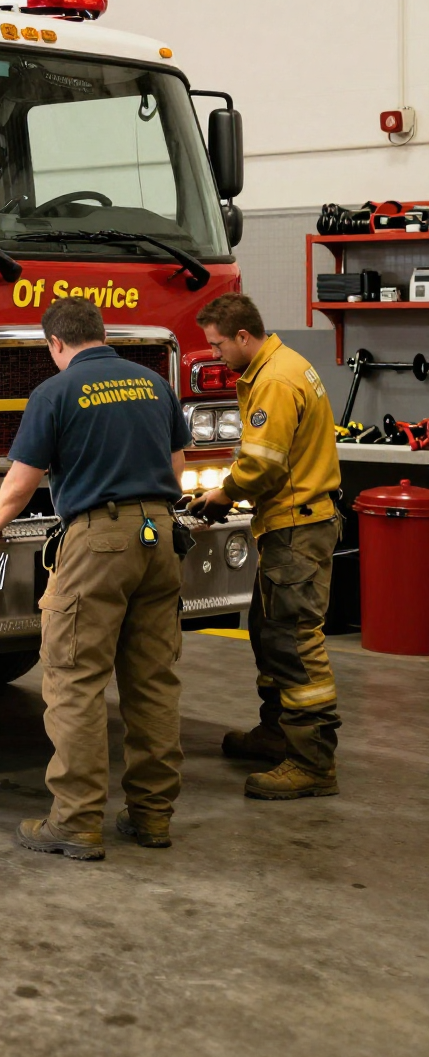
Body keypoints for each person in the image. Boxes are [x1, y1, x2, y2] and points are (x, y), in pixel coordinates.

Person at [0, 297, 189, 860]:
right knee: (153, 681)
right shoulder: (152, 383)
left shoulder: (55, 391)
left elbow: (23, 477)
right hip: (160, 535)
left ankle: (76, 820)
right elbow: (177, 464)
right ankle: (152, 816)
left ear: (55, 344)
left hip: (98, 539)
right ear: (101, 333)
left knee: (75, 682)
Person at [190, 294, 342, 800]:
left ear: (242, 336)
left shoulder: (275, 381)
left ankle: (312, 762)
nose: (214, 355)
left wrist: (222, 494)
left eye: (217, 345)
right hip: (289, 523)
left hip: (296, 528)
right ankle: (277, 734)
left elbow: (262, 464)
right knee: (268, 630)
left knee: (295, 641)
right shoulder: (281, 364)